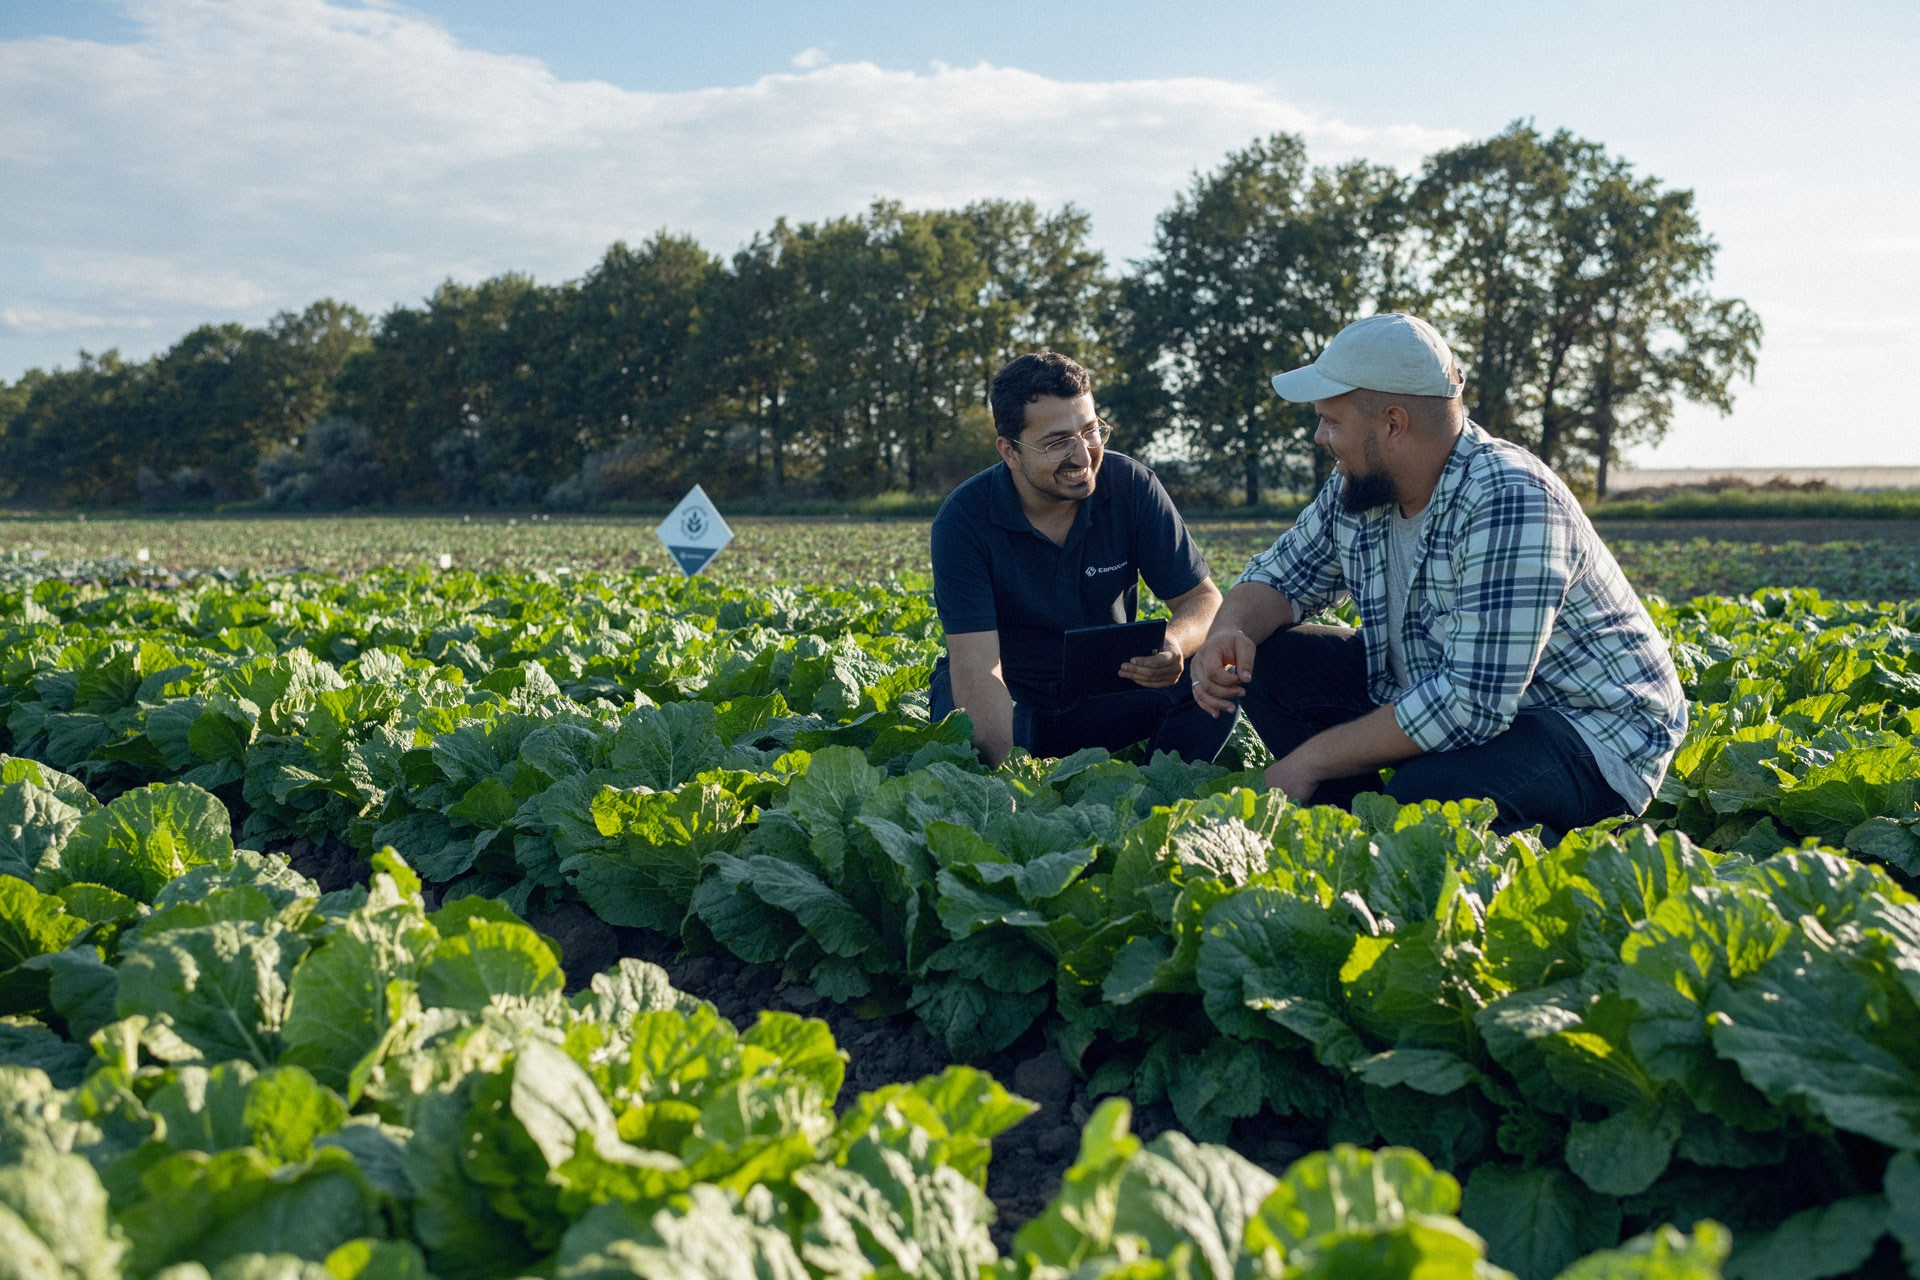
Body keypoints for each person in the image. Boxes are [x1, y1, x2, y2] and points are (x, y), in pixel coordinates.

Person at [1190, 313, 1687, 835]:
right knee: (1271, 659)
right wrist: (1228, 631)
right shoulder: (1360, 487)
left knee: (1427, 805)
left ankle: (1545, 840)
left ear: (1393, 424)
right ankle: (1347, 832)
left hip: (1588, 727)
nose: (1319, 436)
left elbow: (1472, 703)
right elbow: (1280, 577)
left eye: (1332, 421)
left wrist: (1308, 761)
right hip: (1452, 690)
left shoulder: (1508, 498)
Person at [929, 351, 1236, 766]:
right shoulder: (964, 519)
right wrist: (1013, 786)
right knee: (957, 704)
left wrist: (1172, 643)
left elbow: (1202, 600)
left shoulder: (1132, 487)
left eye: (1091, 431)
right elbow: (978, 669)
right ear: (1010, 452)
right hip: (1014, 704)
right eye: (1058, 442)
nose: (1083, 454)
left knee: (1222, 666)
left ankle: (1160, 792)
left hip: (1107, 693)